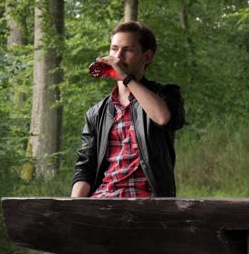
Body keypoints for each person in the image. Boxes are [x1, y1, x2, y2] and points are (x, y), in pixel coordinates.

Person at [71, 21, 185, 198]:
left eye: (128, 50)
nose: (118, 57)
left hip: (147, 202)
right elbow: (85, 167)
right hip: (103, 199)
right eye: (114, 49)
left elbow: (163, 119)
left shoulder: (166, 93)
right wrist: (72, 210)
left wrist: (126, 78)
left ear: (146, 57)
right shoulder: (96, 113)